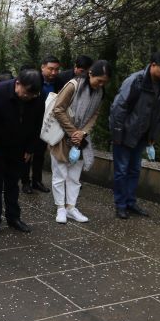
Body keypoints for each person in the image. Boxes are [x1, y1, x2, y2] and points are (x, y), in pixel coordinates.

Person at [109, 50, 160, 219]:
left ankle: (131, 202)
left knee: (134, 170)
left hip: (142, 135)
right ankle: (120, 205)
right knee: (121, 171)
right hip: (125, 134)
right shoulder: (135, 80)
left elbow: (159, 113)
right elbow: (118, 108)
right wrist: (117, 134)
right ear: (153, 65)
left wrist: (153, 135)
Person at [0, 69, 43, 235]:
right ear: (18, 83)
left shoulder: (37, 97)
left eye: (32, 95)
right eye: (26, 93)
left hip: (19, 148)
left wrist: (30, 148)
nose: (28, 97)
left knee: (13, 184)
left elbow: (37, 125)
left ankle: (14, 217)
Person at [50, 60, 111, 224]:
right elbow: (58, 109)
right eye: (99, 80)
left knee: (74, 176)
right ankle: (60, 208)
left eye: (104, 82)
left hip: (82, 139)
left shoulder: (100, 92)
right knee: (60, 174)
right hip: (61, 136)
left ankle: (71, 207)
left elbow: (94, 115)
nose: (101, 85)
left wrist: (83, 133)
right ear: (90, 73)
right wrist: (73, 132)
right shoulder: (73, 85)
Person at [23, 55, 61, 194]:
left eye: (56, 69)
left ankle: (37, 181)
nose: (53, 72)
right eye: (51, 69)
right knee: (27, 153)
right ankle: (25, 181)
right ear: (43, 67)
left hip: (47, 123)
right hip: (31, 122)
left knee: (40, 153)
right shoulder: (34, 80)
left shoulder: (59, 82)